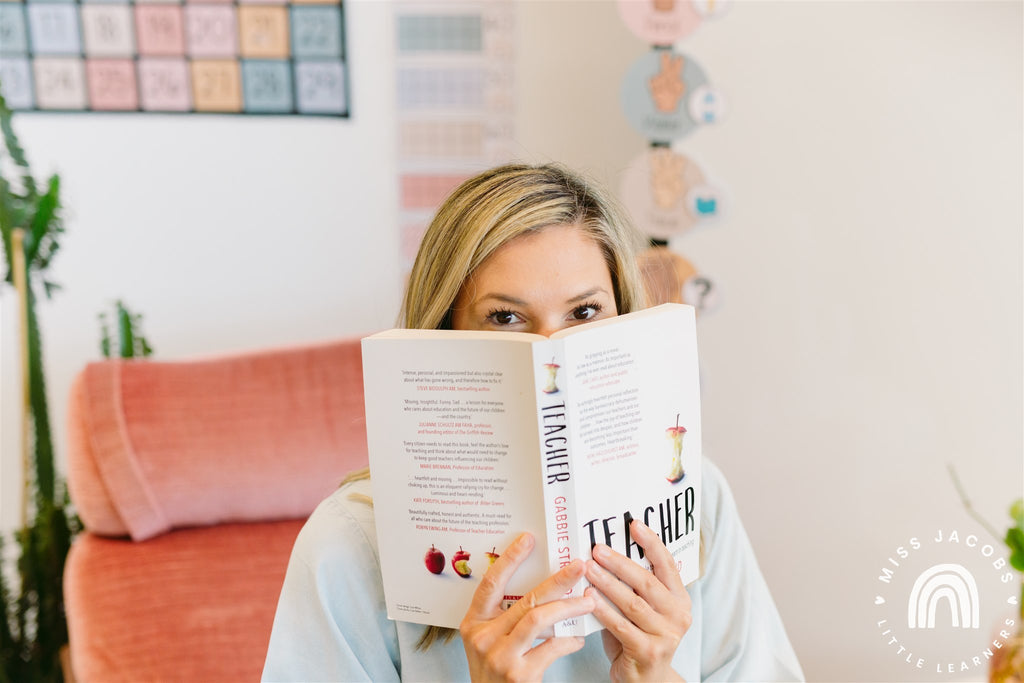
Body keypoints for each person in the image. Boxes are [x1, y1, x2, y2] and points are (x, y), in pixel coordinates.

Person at [262, 164, 804, 682]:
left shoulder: (697, 494)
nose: (550, 352)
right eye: (505, 317)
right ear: (445, 335)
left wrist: (657, 677)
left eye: (585, 312)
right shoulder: (348, 547)